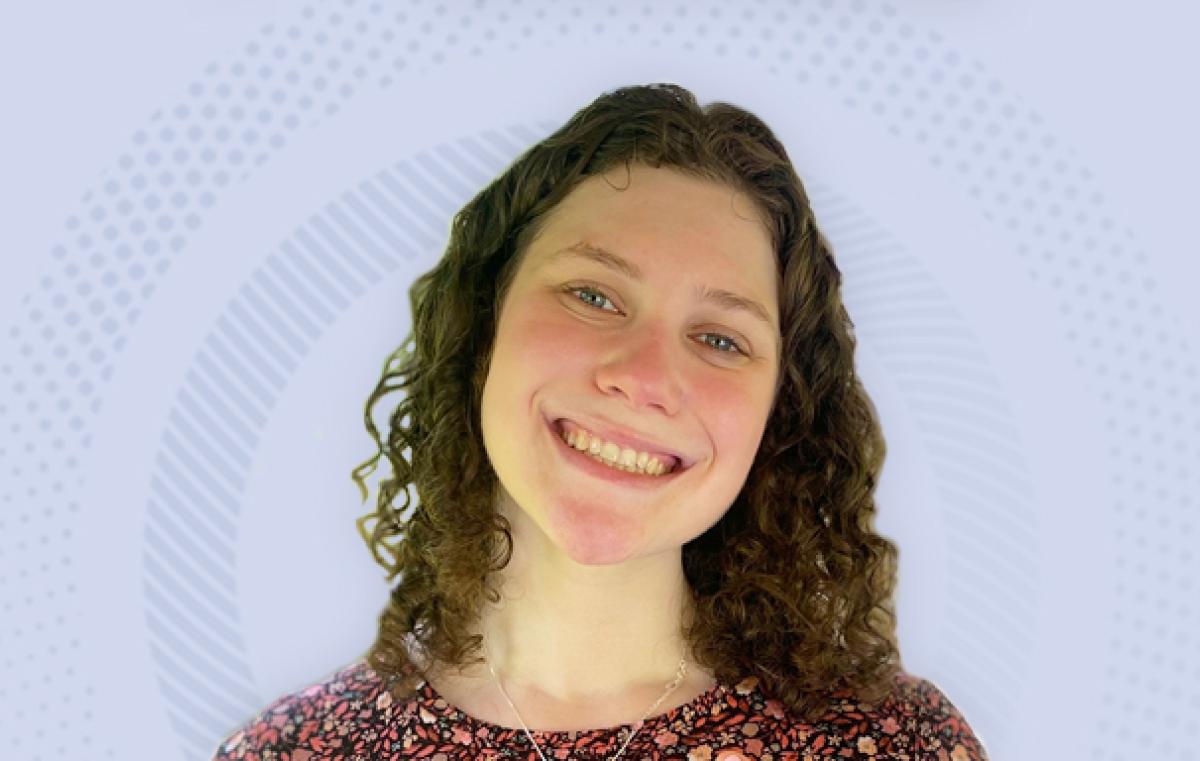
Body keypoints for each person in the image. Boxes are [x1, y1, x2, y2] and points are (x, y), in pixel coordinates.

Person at [212, 83, 989, 760]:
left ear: (777, 416)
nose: (644, 377)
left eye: (720, 339)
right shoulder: (291, 752)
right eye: (593, 295)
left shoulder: (898, 745)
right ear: (483, 326)